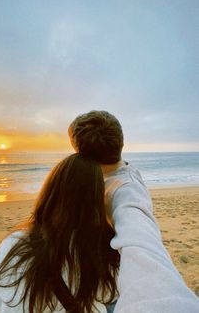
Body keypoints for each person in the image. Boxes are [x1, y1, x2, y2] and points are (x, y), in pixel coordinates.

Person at [68, 110, 199, 313]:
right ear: (120, 142)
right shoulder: (125, 170)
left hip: (115, 292)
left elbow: (140, 239)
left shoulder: (125, 193)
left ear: (80, 155)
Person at [0, 153, 120, 313]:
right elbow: (112, 294)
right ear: (96, 202)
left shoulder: (13, 242)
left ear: (51, 190)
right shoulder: (101, 253)